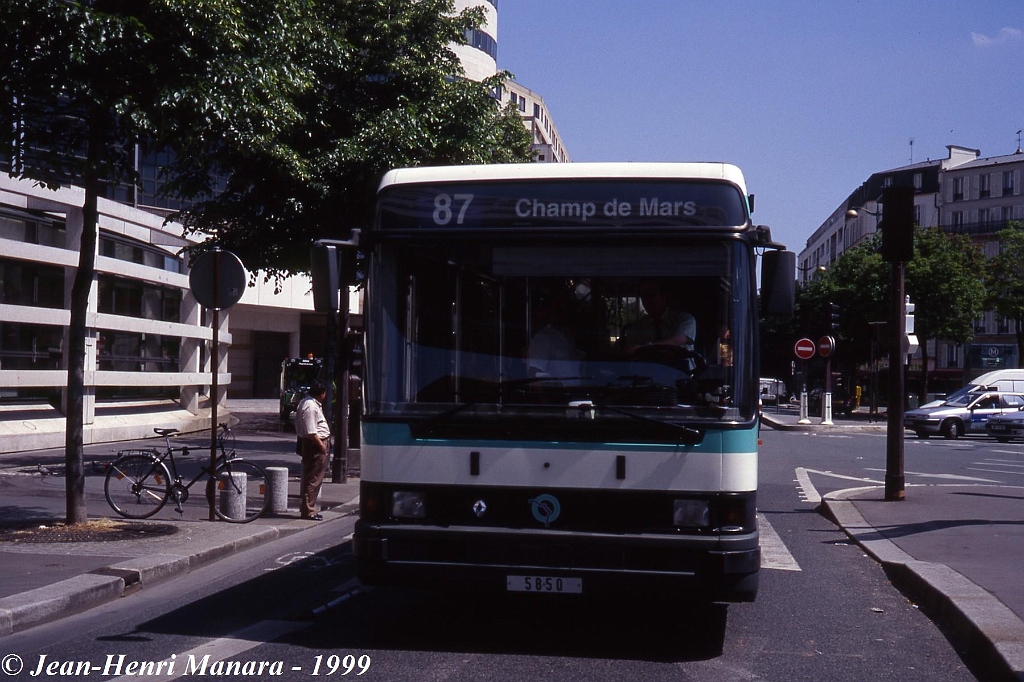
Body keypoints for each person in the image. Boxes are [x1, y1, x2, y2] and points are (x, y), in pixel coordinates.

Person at [621, 279, 697, 357]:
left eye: (652, 294)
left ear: (664, 296)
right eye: (643, 295)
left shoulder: (685, 319)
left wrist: (648, 346)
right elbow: (630, 351)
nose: (648, 300)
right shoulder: (638, 327)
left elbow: (678, 340)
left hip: (680, 368)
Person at [295, 380, 330, 520]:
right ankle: (309, 510)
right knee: (314, 477)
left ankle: (309, 508)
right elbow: (311, 431)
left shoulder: (308, 403)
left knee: (314, 476)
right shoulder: (310, 406)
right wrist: (322, 446)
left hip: (313, 442)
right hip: (315, 443)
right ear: (322, 393)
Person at [527, 295, 583, 378]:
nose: (563, 314)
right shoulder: (544, 338)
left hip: (576, 389)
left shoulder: (567, 338)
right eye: (559, 311)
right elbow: (535, 373)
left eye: (566, 311)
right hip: (557, 390)